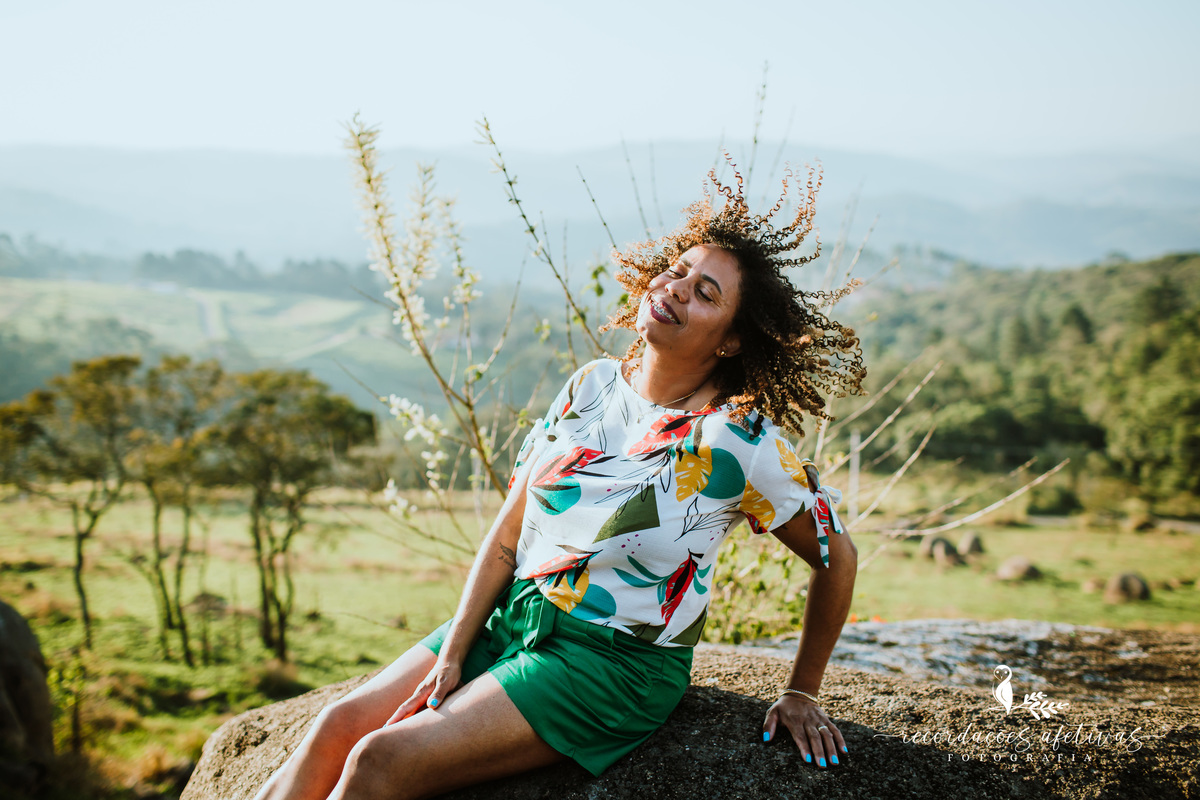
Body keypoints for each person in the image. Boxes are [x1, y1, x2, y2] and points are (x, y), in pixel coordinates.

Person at [253, 164, 866, 800]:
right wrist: (454, 650)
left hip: (611, 663)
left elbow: (837, 555)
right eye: (678, 269)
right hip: (515, 616)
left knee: (379, 759)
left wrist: (802, 690)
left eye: (705, 293)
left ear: (732, 341)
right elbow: (509, 533)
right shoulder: (590, 386)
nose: (677, 289)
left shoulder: (737, 440)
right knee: (335, 728)